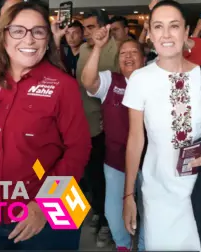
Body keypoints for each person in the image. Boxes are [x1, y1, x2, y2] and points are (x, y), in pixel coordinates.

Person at [0, 1, 91, 250]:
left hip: (53, 205)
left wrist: (45, 205)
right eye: (18, 30)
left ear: (47, 38)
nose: (29, 40)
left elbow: (79, 148)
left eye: (38, 31)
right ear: (4, 36)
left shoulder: (63, 85)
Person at [122, 0, 201, 251]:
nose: (166, 34)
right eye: (158, 27)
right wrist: (128, 195)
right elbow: (136, 139)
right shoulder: (140, 79)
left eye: (174, 26)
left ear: (186, 32)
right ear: (151, 35)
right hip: (158, 190)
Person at [81, 29, 146, 251]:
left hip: (149, 161)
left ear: (143, 57)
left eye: (133, 52)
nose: (128, 56)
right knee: (112, 210)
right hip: (116, 159)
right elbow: (88, 81)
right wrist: (98, 47)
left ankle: (145, 246)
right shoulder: (111, 80)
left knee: (149, 209)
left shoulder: (152, 81)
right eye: (123, 53)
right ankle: (123, 245)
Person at [76, 9, 119, 248]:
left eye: (91, 27)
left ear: (105, 28)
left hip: (108, 126)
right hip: (84, 125)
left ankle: (108, 224)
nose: (86, 33)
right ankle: (99, 213)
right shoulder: (83, 50)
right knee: (91, 176)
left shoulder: (119, 49)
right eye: (85, 28)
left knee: (109, 178)